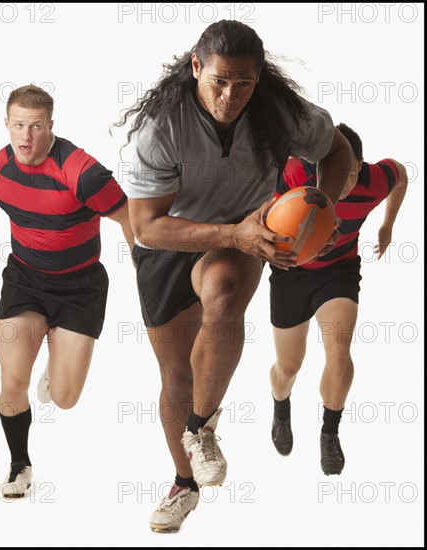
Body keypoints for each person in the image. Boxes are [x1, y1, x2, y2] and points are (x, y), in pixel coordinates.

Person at [115, 20, 352, 531]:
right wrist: (230, 234)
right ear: (197, 67)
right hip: (171, 241)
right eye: (220, 80)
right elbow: (147, 226)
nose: (231, 94)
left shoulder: (281, 111)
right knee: (177, 377)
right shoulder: (162, 125)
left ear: (259, 78)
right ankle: (185, 484)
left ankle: (200, 428)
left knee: (223, 294)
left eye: (244, 82)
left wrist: (322, 208)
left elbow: (336, 151)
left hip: (251, 233)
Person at [0, 84, 134, 497]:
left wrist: (147, 270)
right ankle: (19, 466)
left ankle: (58, 360)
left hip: (80, 287)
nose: (25, 136)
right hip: (25, 282)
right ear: (6, 125)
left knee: (64, 398)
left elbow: (130, 218)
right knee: (12, 380)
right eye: (17, 126)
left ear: (50, 126)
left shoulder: (83, 172)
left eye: (35, 126)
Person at [268, 123, 408, 475]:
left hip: (338, 272)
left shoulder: (374, 181)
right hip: (291, 273)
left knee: (339, 349)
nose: (340, 182)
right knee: (288, 368)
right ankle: (281, 408)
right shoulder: (294, 173)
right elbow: (261, 218)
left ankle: (330, 431)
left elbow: (401, 173)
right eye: (332, 172)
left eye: (349, 172)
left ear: (360, 166)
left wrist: (388, 224)